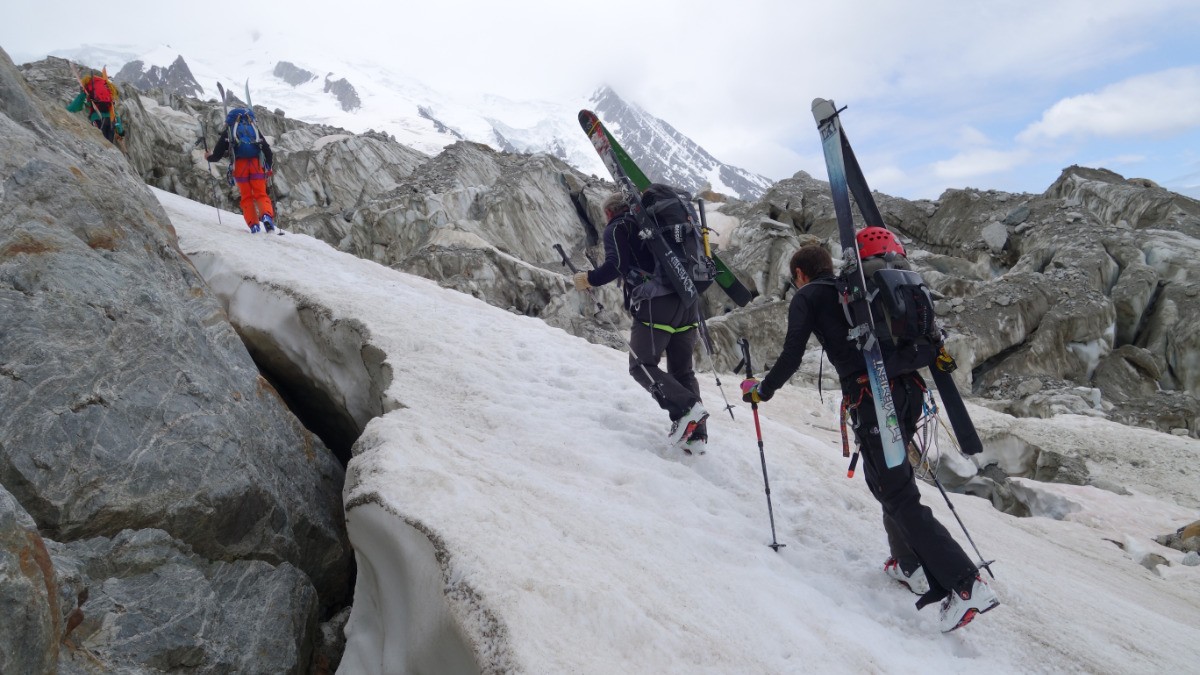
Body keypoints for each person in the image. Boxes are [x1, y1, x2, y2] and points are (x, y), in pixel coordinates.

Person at [740, 240, 999, 632]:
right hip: (907, 391)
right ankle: (910, 563)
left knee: (897, 492)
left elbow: (792, 354)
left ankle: (965, 584)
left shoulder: (809, 296)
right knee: (885, 482)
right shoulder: (859, 290)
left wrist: (763, 390)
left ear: (799, 274)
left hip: (875, 397)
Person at [573, 192, 708, 450]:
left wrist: (589, 278)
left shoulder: (618, 227)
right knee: (682, 371)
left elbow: (616, 264)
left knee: (641, 365)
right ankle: (696, 435)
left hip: (656, 305)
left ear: (609, 213)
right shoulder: (656, 224)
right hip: (688, 301)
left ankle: (688, 408)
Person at [206, 107, 276, 233]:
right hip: (256, 164)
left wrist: (209, 158)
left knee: (246, 197)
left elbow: (217, 155)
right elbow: (267, 150)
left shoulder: (229, 131)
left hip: (240, 167)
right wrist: (268, 166)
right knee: (261, 193)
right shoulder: (253, 130)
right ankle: (266, 215)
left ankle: (254, 225)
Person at [66, 71, 125, 145]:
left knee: (100, 144)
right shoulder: (108, 90)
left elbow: (77, 104)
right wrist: (120, 132)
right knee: (109, 145)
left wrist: (67, 110)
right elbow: (115, 114)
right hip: (111, 121)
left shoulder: (90, 86)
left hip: (97, 118)